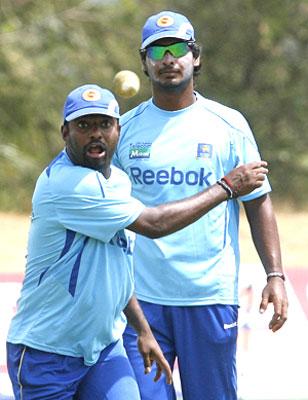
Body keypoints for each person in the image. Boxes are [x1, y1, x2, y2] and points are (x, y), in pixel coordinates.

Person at [6, 84, 267, 400]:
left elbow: (117, 267)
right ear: (65, 132)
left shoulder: (116, 180)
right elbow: (154, 224)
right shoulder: (69, 184)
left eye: (104, 124)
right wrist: (226, 187)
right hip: (47, 350)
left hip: (102, 349)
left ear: (118, 129)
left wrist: (143, 330)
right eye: (83, 126)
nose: (95, 134)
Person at [113, 10, 289, 400]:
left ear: (196, 57)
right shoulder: (124, 131)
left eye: (178, 48)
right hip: (143, 302)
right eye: (156, 51)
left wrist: (275, 275)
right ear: (144, 64)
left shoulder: (228, 124)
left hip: (208, 296)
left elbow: (258, 201)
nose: (168, 58)